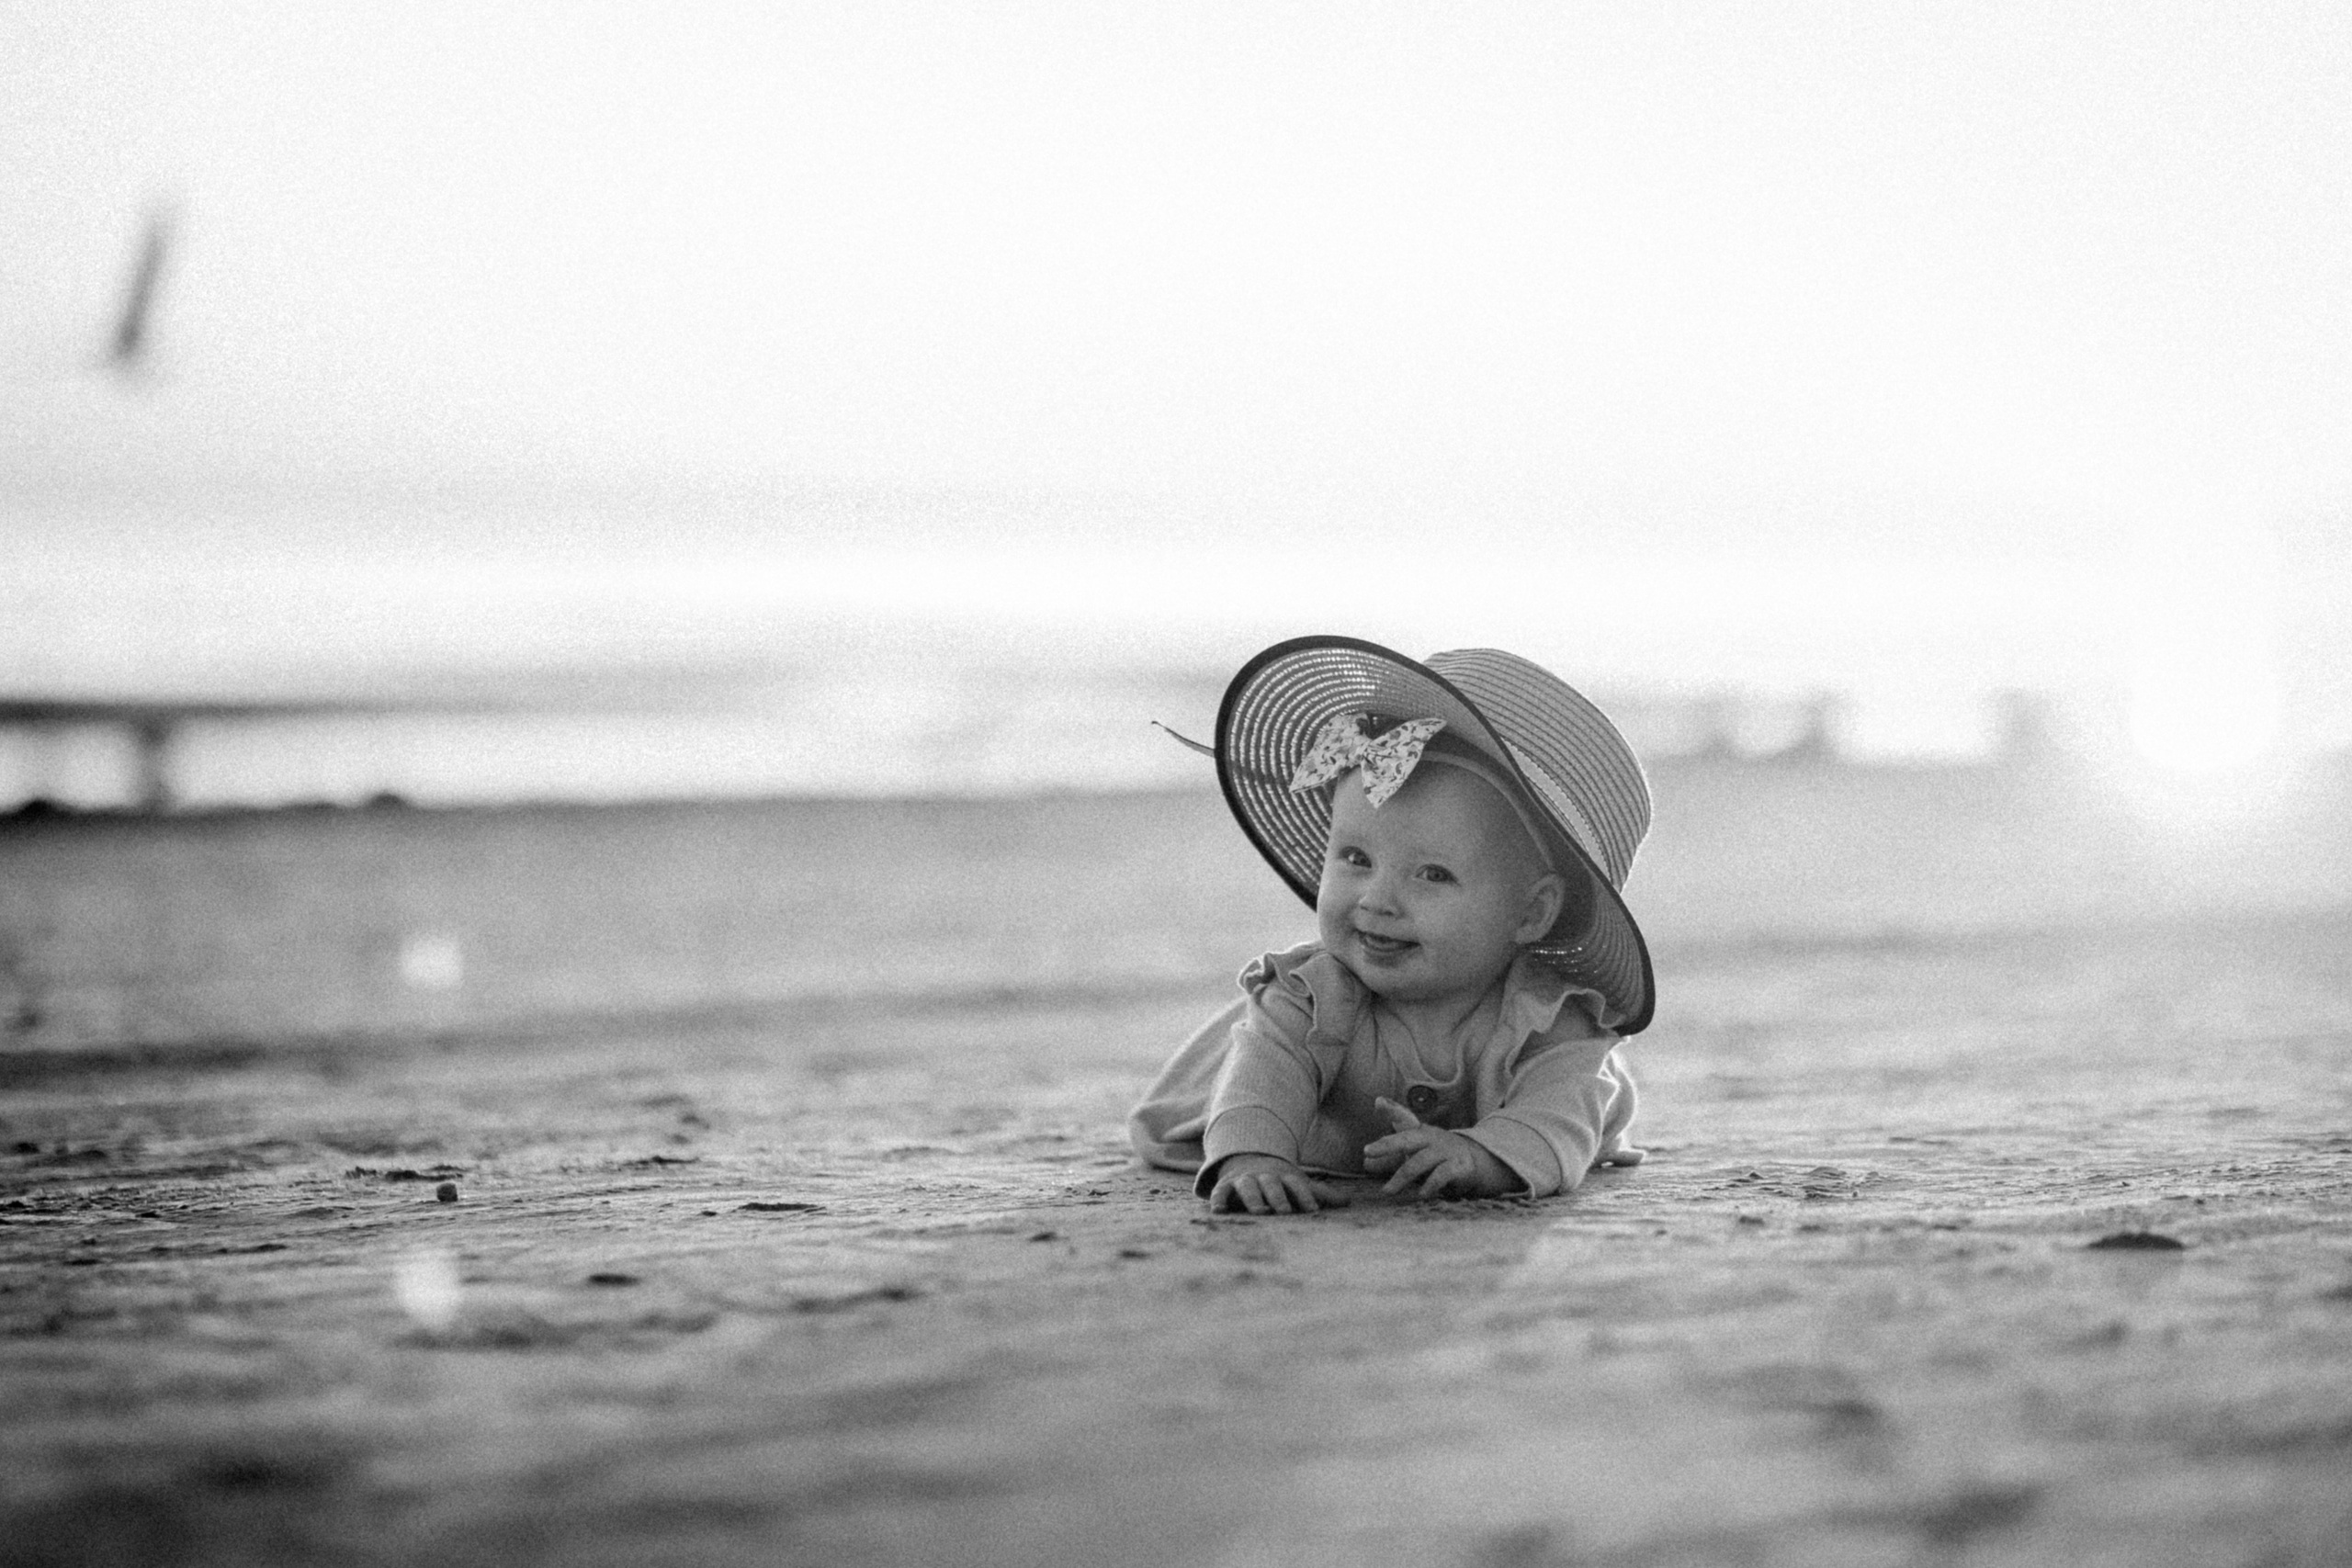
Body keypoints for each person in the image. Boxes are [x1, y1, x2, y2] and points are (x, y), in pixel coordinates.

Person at [1129, 636, 1657, 1213]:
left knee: (1592, 1087)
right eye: (1356, 860)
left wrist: (1485, 1158)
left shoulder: (1550, 1019)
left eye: (1432, 874)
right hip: (1239, 1081)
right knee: (1244, 1068)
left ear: (1530, 914)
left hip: (1552, 1099)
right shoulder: (1309, 996)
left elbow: (1558, 1113)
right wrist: (1255, 1157)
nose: (1378, 900)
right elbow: (1262, 1078)